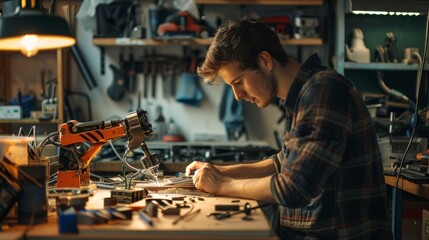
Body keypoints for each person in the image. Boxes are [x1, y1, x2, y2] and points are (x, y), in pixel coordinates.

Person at [185, 14, 391, 239]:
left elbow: (293, 188)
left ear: (265, 60)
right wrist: (217, 171)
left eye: (239, 82)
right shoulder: (303, 96)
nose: (237, 96)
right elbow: (282, 163)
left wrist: (223, 185)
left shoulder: (324, 92)